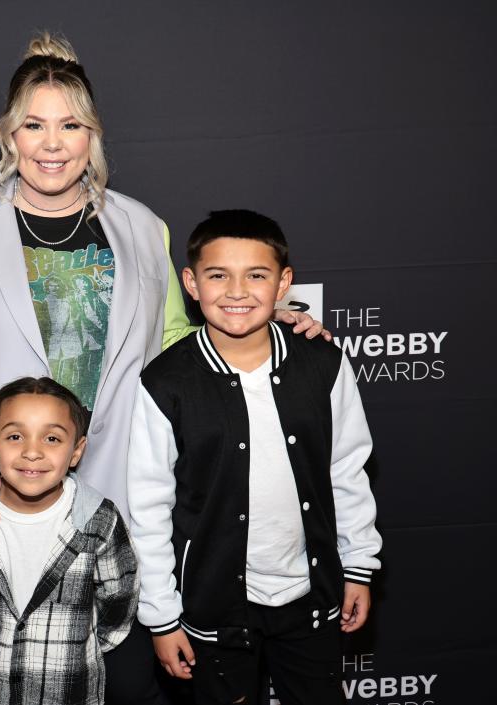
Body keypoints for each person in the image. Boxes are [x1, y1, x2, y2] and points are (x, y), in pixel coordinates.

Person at [0, 31, 325, 704]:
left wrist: (273, 333)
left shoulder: (143, 228)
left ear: (92, 135)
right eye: (34, 125)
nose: (52, 142)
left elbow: (183, 347)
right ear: (8, 136)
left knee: (124, 682)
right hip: (3, 501)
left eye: (70, 125)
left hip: (123, 502)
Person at [127, 210, 381, 704]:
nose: (237, 291)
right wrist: (160, 615)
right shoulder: (165, 383)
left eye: (257, 275)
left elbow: (347, 471)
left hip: (312, 597)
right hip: (213, 608)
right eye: (218, 275)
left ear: (284, 282)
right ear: (191, 283)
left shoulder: (322, 363)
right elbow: (149, 507)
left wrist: (357, 567)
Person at [0, 377, 138, 705]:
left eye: (52, 438)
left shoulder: (99, 521)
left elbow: (119, 601)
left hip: (70, 691)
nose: (32, 452)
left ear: (76, 451)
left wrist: (77, 647)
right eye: (15, 436)